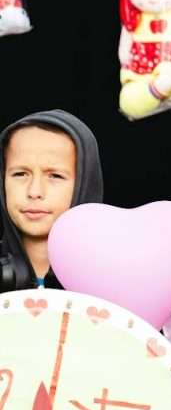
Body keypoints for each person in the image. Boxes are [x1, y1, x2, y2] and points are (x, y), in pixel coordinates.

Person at [0, 110, 102, 291]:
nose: (34, 192)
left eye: (55, 176)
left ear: (85, 183)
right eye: (20, 174)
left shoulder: (113, 277)